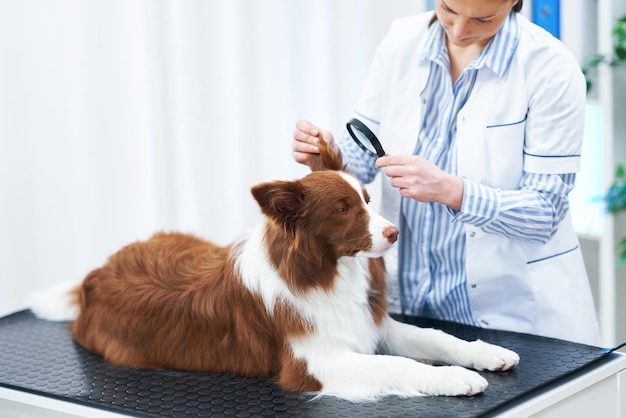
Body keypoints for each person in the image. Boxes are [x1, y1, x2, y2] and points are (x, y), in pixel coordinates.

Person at [291, 0, 601, 345]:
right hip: (408, 308)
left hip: (513, 318)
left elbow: (545, 213)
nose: (459, 31)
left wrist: (453, 191)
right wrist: (324, 156)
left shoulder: (550, 67)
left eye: (483, 18)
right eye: (448, 9)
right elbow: (363, 161)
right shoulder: (400, 42)